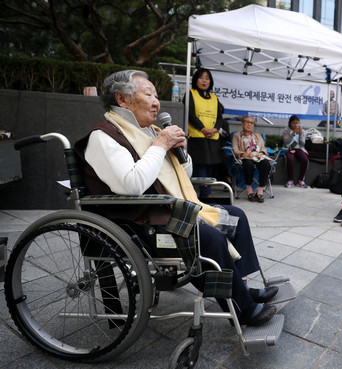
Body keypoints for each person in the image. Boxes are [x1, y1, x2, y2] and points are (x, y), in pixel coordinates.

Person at [76, 70, 277, 326]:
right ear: (122, 99)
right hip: (138, 224)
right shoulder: (104, 136)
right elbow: (133, 184)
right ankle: (242, 308)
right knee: (208, 236)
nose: (156, 101)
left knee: (235, 215)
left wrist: (180, 153)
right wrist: (160, 145)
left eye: (156, 95)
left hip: (162, 210)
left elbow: (182, 174)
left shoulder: (147, 131)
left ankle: (242, 287)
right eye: (148, 94)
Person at [185, 68, 230, 197]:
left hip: (212, 137)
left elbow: (220, 116)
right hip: (197, 136)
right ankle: (205, 193)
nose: (204, 81)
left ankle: (207, 190)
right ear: (196, 80)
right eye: (201, 77)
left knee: (212, 164)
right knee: (201, 165)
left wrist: (215, 129)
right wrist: (203, 129)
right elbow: (190, 114)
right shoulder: (190, 94)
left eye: (207, 78)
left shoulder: (214, 98)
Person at [232, 116, 271, 203]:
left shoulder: (258, 136)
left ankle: (260, 191)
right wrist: (246, 154)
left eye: (251, 123)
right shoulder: (237, 135)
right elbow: (235, 150)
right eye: (247, 122)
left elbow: (263, 148)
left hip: (258, 156)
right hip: (246, 156)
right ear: (242, 123)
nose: (249, 124)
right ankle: (249, 190)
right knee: (248, 164)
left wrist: (260, 153)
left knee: (266, 164)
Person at [282, 115, 309, 188]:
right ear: (290, 123)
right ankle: (290, 180)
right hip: (289, 148)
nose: (296, 125)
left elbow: (302, 144)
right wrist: (293, 134)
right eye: (294, 123)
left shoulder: (302, 131)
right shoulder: (286, 130)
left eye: (297, 123)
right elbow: (286, 142)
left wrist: (300, 134)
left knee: (305, 159)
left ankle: (301, 180)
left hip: (299, 148)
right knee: (290, 159)